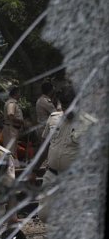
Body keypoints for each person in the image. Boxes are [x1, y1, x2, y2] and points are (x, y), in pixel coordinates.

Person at [38, 86, 91, 223]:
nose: (68, 110)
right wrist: (34, 168)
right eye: (65, 106)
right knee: (44, 215)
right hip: (52, 174)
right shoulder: (54, 118)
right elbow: (45, 146)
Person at [1, 84, 25, 161]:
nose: (20, 94)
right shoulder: (11, 103)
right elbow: (10, 115)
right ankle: (10, 167)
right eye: (19, 92)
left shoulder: (13, 102)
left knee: (13, 150)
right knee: (10, 150)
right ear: (16, 93)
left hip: (13, 129)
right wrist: (21, 121)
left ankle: (12, 166)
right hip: (11, 129)